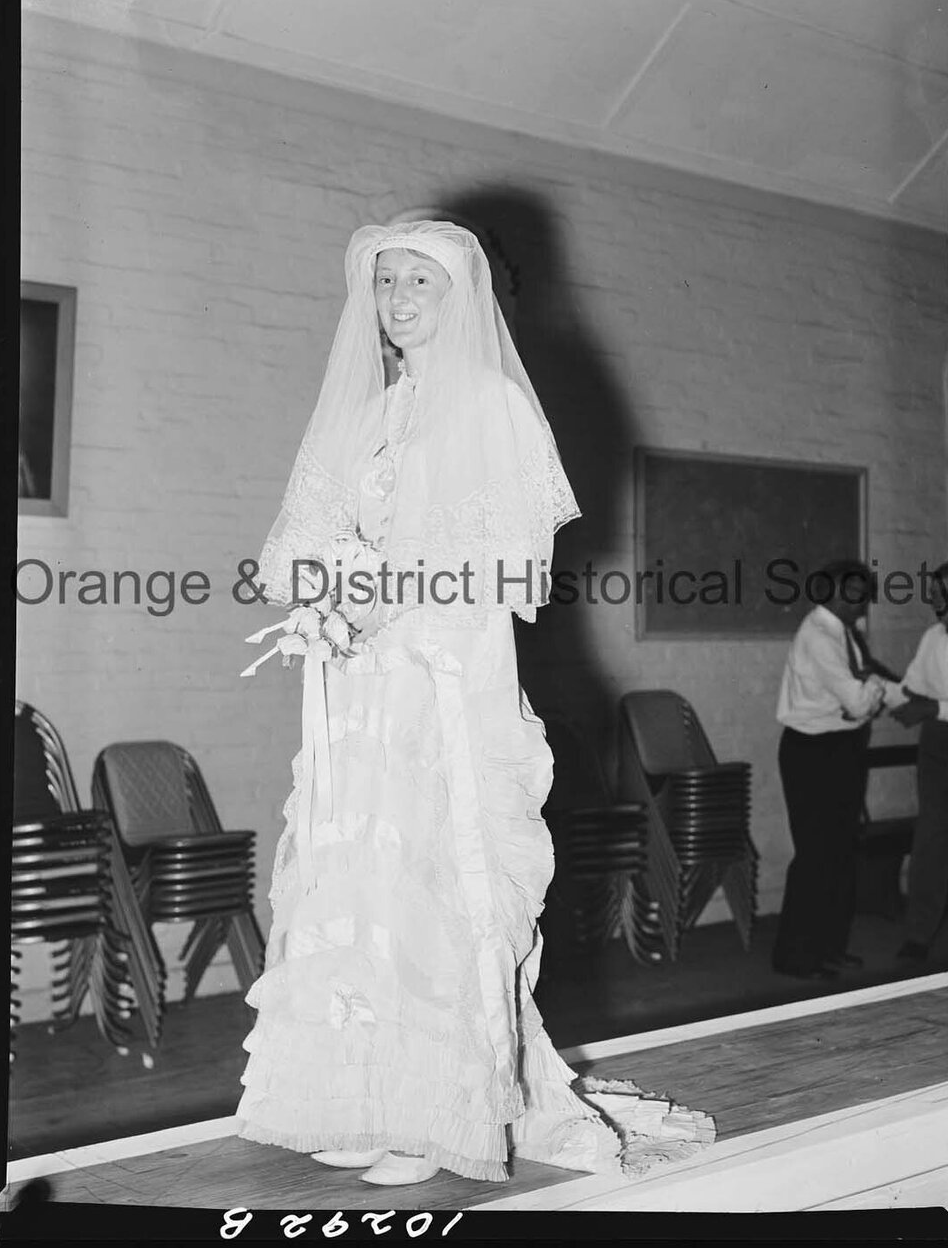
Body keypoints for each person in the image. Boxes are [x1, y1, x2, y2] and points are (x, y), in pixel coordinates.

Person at [235, 221, 714, 1186]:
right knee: (360, 881)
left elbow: (506, 565)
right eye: (386, 280)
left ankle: (435, 1114)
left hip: (443, 675)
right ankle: (366, 1100)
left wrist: (388, 593)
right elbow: (296, 547)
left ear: (462, 297)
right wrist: (332, 594)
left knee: (432, 876)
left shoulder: (493, 404)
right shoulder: (366, 412)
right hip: (364, 685)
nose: (401, 296)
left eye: (422, 279)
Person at [772, 559, 895, 981]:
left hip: (838, 749)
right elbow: (860, 701)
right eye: (853, 593)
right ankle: (796, 957)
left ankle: (828, 950)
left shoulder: (840, 630)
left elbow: (861, 689)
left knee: (838, 853)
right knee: (816, 855)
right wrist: (871, 687)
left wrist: (868, 685)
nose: (861, 603)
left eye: (863, 593)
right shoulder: (819, 634)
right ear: (830, 592)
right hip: (813, 753)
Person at [884, 559, 948, 963]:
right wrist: (876, 689)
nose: (930, 598)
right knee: (931, 837)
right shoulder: (932, 637)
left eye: (938, 591)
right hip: (939, 746)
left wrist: (931, 709)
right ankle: (919, 934)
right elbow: (912, 688)